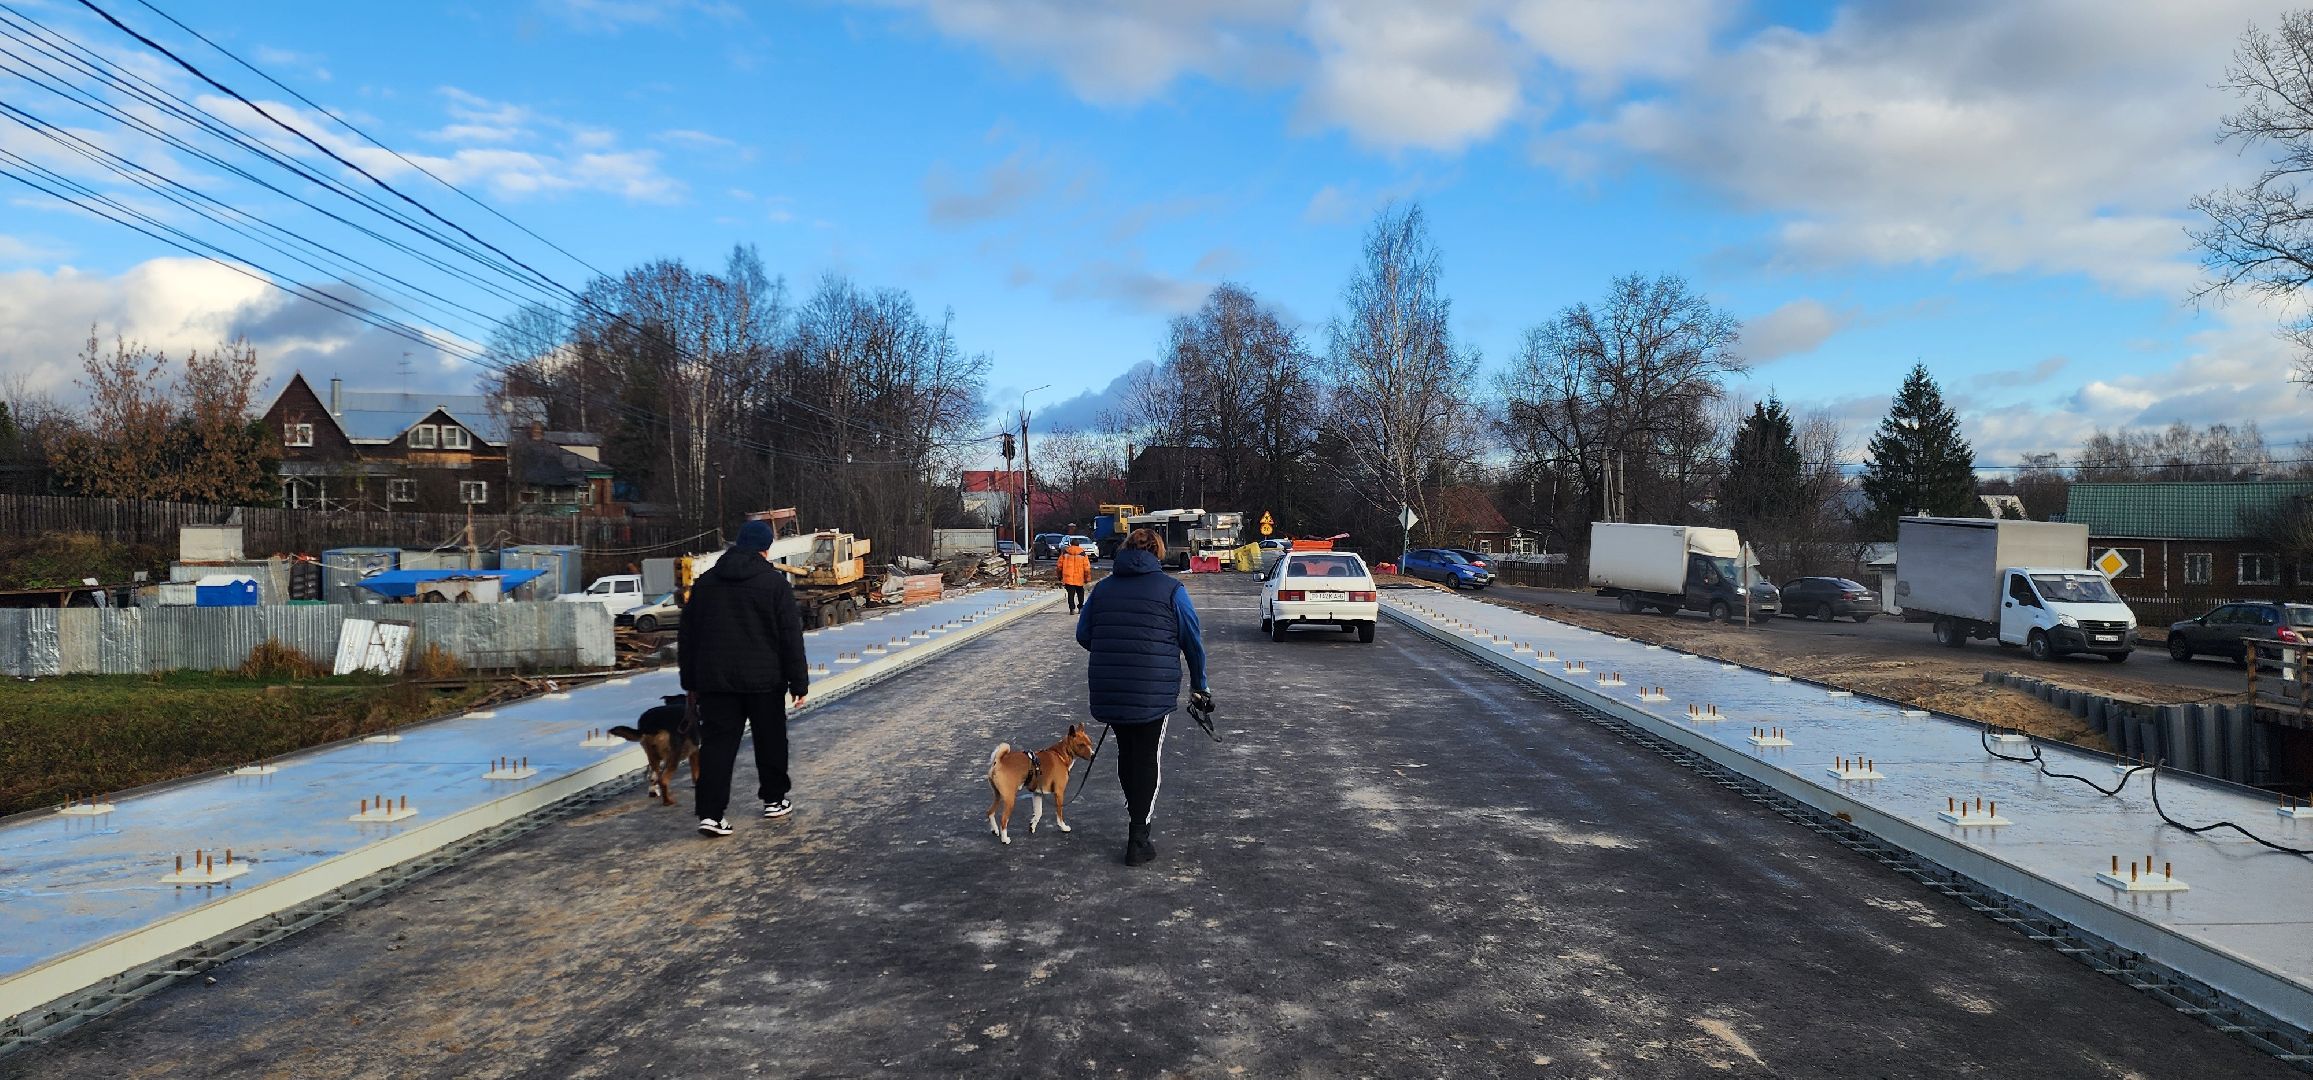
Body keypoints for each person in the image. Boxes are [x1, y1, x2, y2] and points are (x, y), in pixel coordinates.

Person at [1075, 527, 1211, 866]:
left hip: (1112, 686)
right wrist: (1199, 685)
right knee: (1148, 755)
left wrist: (1114, 648)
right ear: (1158, 552)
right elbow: (1192, 642)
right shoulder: (1172, 590)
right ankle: (1139, 836)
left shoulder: (1103, 590)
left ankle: (1135, 811)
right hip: (1154, 688)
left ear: (1125, 549)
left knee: (1127, 751)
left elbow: (1084, 634)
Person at [677, 519, 809, 837]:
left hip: (715, 682)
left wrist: (690, 682)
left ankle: (710, 814)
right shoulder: (775, 584)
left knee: (717, 746)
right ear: (766, 549)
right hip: (765, 681)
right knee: (771, 741)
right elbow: (790, 637)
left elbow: (688, 636)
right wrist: (798, 683)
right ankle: (774, 801)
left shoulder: (706, 583)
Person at [1057, 537, 1091, 613]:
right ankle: (1081, 607)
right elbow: (1086, 568)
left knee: (1070, 594)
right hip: (1079, 577)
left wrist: (1059, 576)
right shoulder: (1082, 553)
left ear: (1070, 544)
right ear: (1078, 545)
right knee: (1080, 593)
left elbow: (1059, 566)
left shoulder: (1065, 552)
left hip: (1068, 577)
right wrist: (1087, 578)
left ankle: (1072, 608)